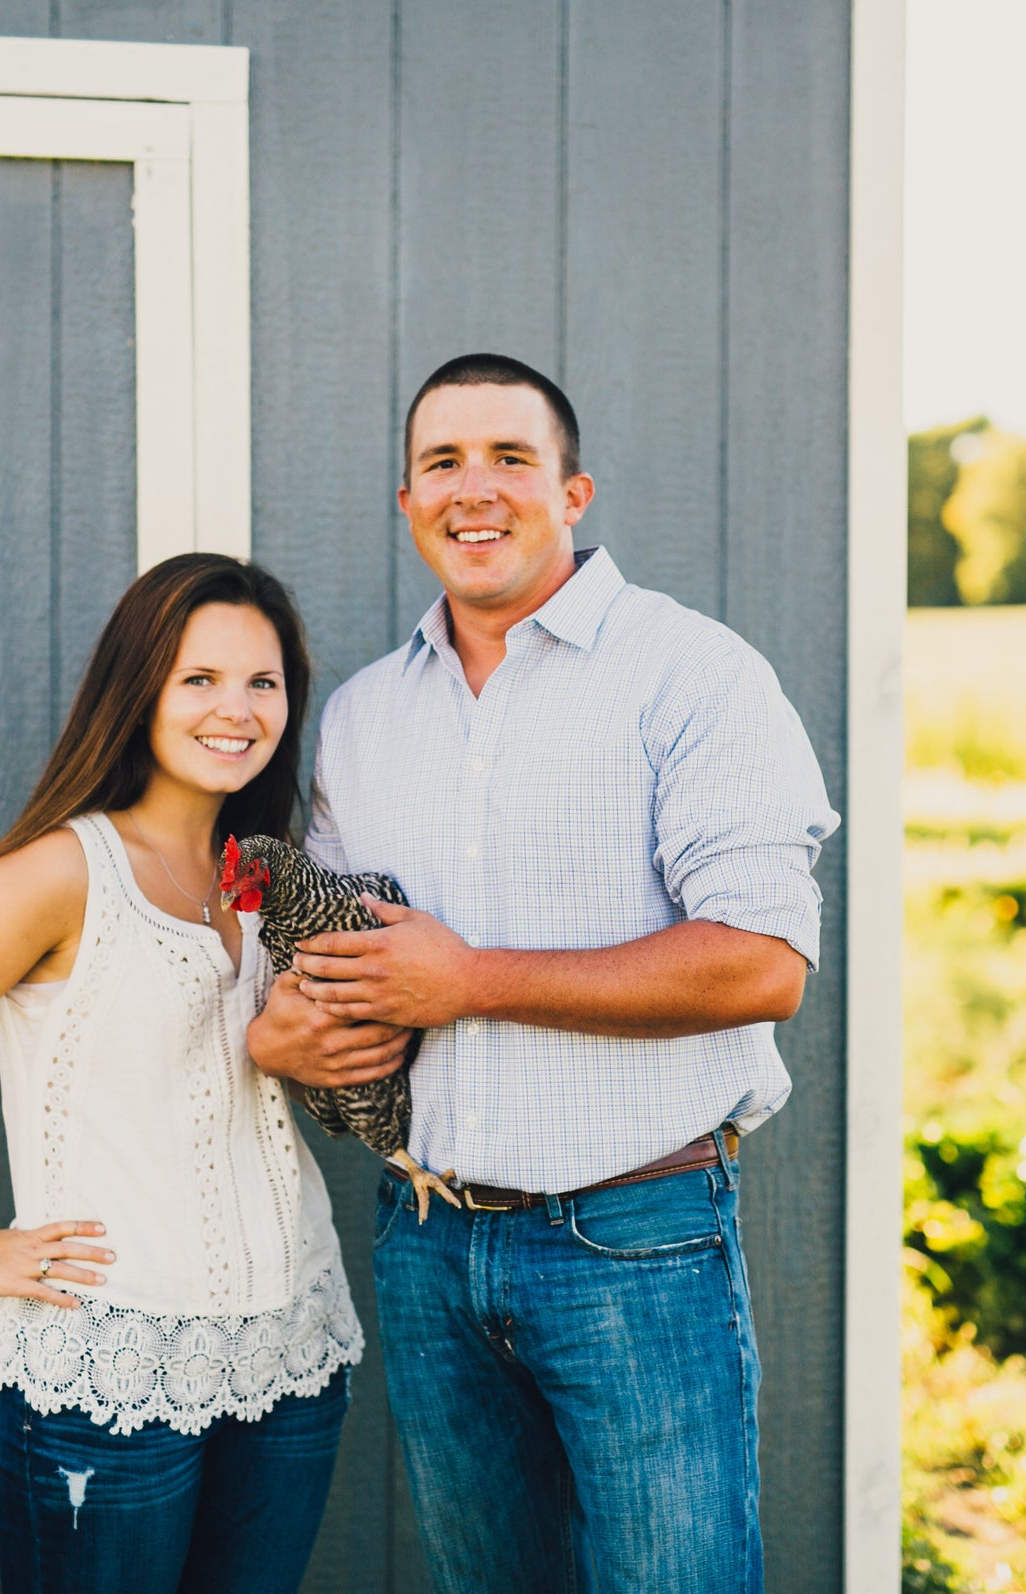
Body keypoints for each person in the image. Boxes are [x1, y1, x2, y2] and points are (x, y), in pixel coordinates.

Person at [246, 354, 839, 1593]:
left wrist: (470, 981)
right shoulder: (361, 715)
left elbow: (761, 963)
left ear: (573, 493)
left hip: (633, 1238)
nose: (473, 488)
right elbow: (334, 958)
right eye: (441, 463)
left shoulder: (692, 673)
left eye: (508, 458)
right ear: (407, 503)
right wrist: (289, 1033)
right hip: (424, 1240)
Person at [0, 554, 362, 1594]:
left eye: (263, 681)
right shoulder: (63, 873)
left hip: (290, 1352)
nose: (237, 709)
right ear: (138, 689)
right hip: (106, 1380)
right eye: (199, 679)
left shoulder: (269, 873)